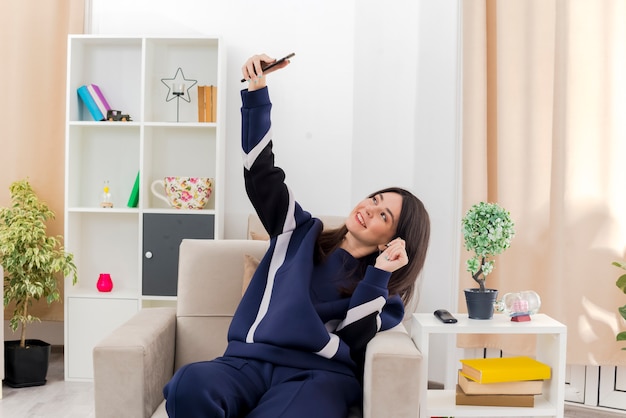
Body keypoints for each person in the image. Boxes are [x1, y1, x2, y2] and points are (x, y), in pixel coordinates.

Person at [163, 53, 431, 418]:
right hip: (247, 362)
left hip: (318, 376)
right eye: (374, 198)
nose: (369, 207)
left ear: (392, 240)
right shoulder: (299, 230)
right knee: (188, 384)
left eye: (383, 214)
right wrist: (257, 92)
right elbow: (261, 173)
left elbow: (355, 338)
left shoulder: (383, 296)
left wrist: (379, 274)